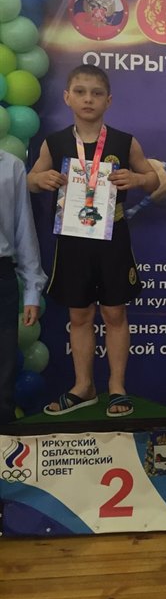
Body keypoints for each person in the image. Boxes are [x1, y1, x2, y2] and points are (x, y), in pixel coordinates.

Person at [28, 64, 158, 418]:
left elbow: (153, 179)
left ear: (108, 101)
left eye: (96, 93)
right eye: (81, 92)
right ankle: (83, 386)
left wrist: (137, 179)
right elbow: (30, 179)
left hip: (113, 237)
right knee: (80, 313)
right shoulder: (55, 142)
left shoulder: (124, 142)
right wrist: (41, 180)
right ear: (67, 97)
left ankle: (117, 388)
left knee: (115, 312)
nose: (88, 99)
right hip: (72, 239)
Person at [0, 149, 47, 423]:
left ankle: (3, 435)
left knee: (3, 362)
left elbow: (24, 229)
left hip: (1, 272)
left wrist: (31, 290)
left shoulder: (11, 166)